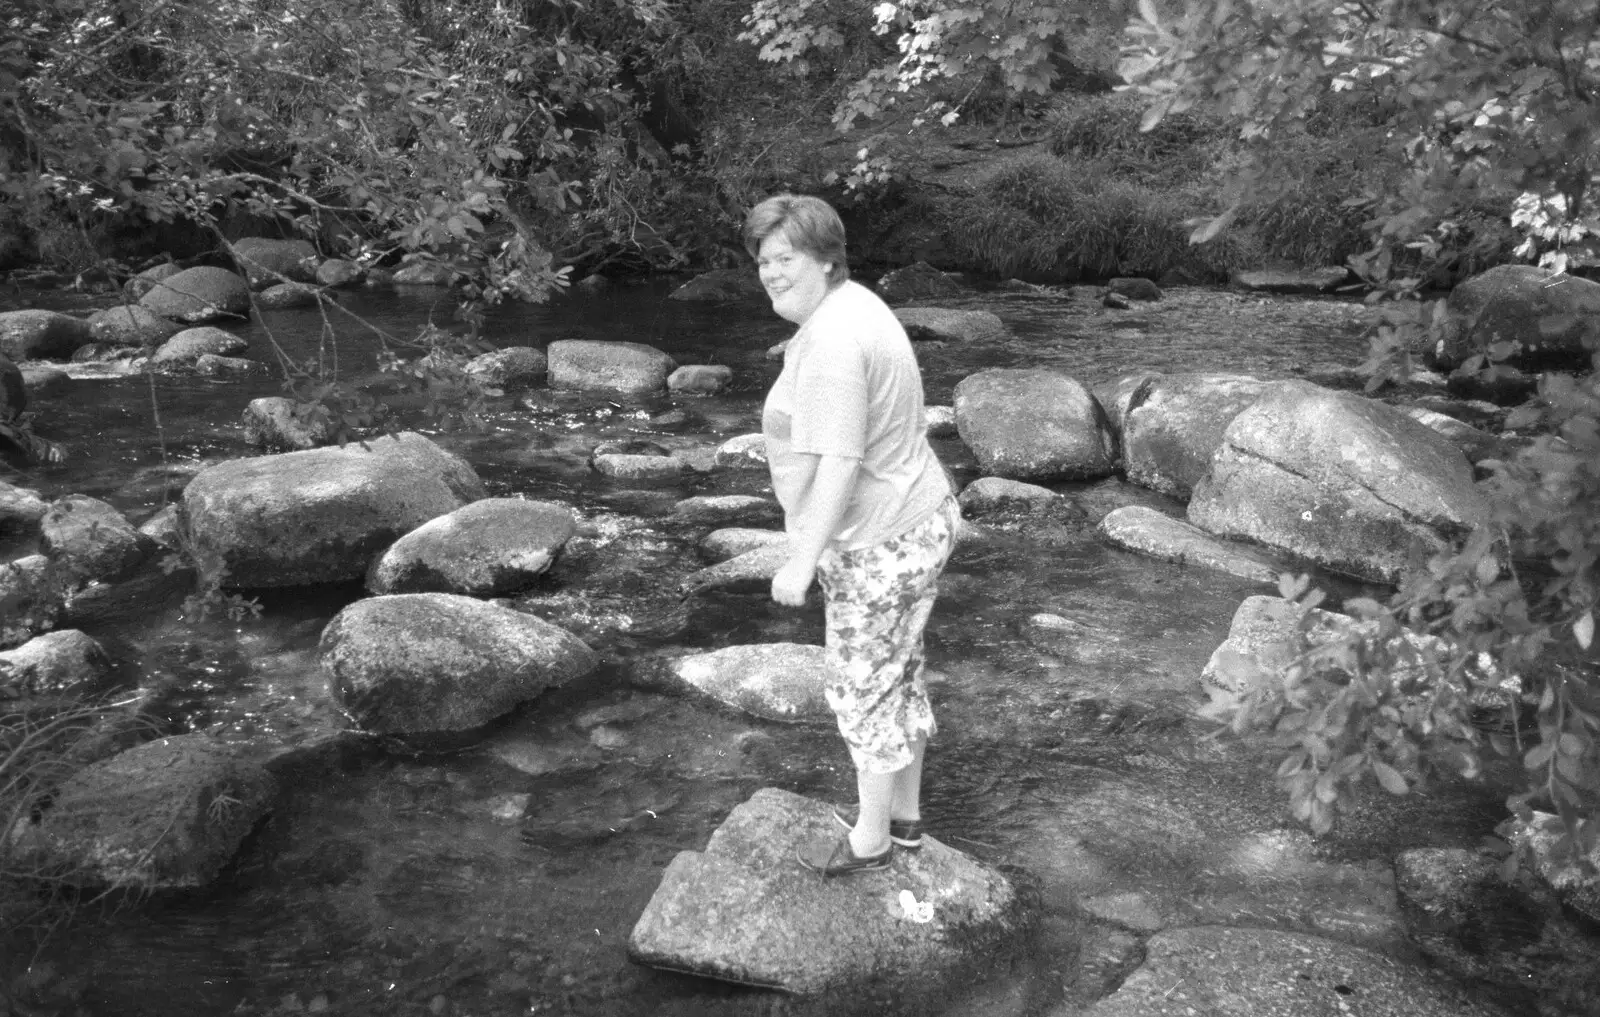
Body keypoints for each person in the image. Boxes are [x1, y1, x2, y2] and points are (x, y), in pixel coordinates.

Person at [744, 194, 959, 876]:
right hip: (917, 515)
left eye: (787, 259)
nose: (772, 273)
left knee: (860, 685)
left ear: (826, 259)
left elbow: (839, 461)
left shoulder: (835, 339)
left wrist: (800, 561)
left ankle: (870, 837)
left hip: (877, 540)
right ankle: (904, 818)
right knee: (900, 670)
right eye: (765, 260)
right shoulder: (853, 304)